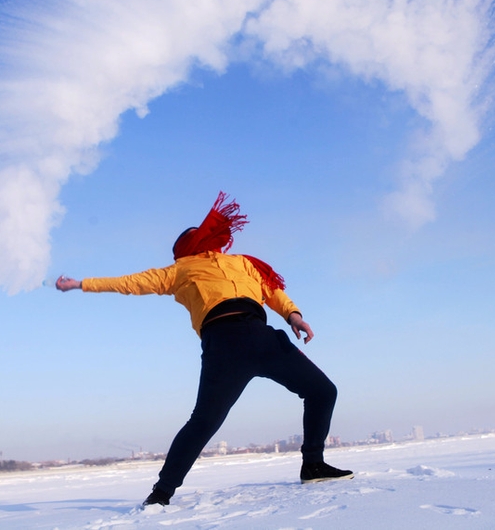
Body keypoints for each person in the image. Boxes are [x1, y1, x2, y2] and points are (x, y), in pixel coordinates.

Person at [56, 192, 352, 507]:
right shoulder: (179, 270)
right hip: (223, 343)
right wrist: (80, 284)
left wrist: (294, 315)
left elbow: (271, 290)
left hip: (263, 335)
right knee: (204, 422)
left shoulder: (242, 263)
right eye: (191, 237)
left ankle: (313, 464)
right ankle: (161, 494)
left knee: (323, 391)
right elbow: (131, 282)